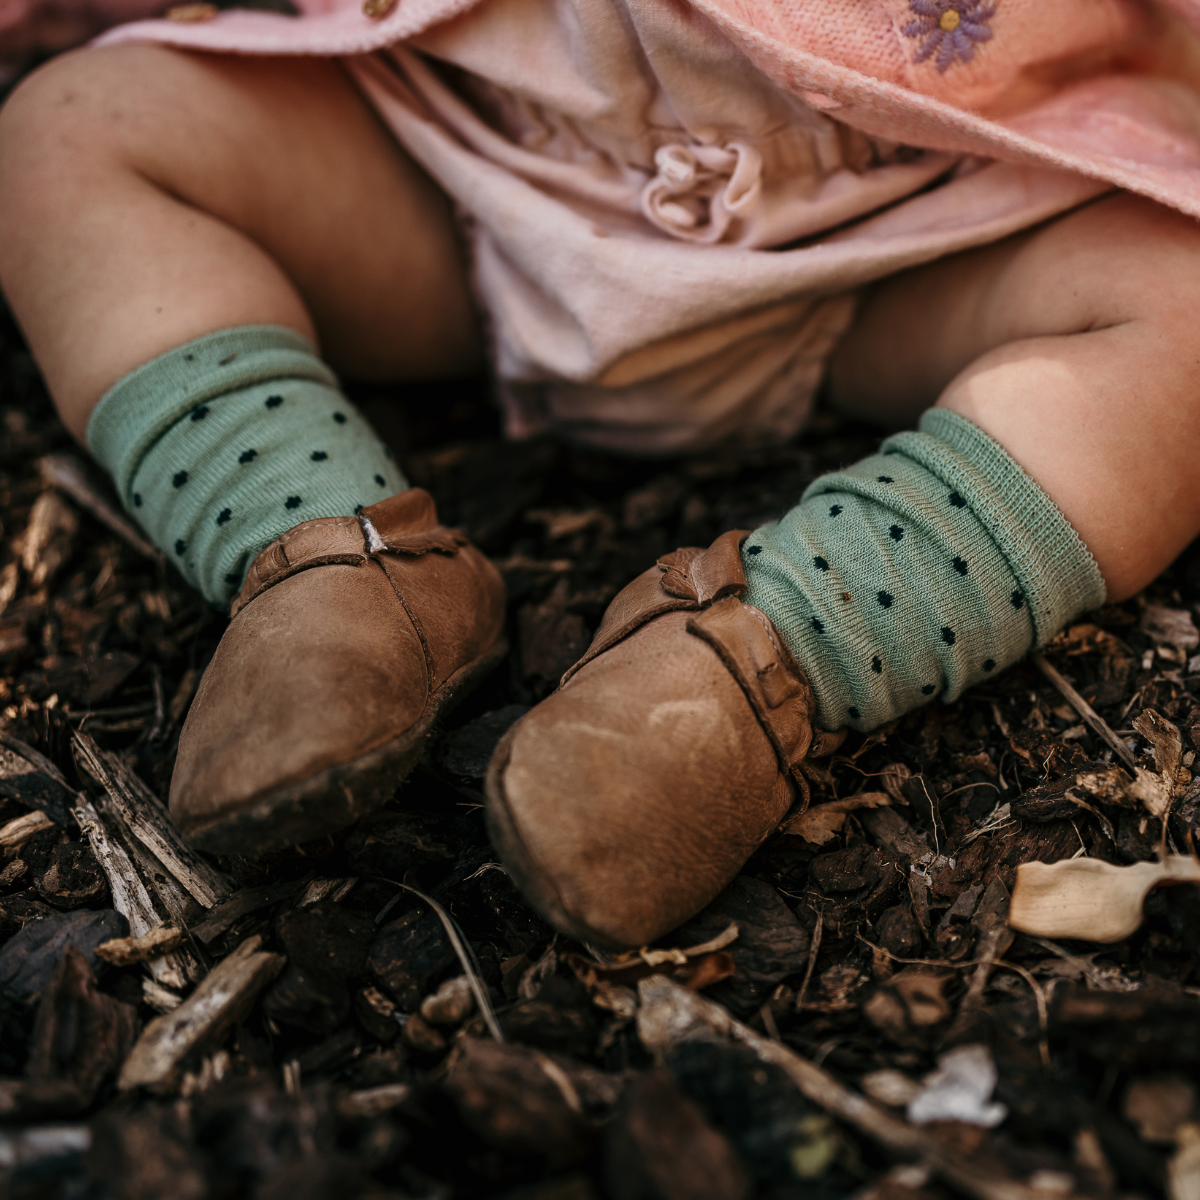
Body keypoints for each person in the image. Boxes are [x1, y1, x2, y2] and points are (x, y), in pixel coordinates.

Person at [2, 0, 1200, 946]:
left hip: (917, 225)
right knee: (64, 139)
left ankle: (762, 663)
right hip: (465, 161)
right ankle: (324, 552)